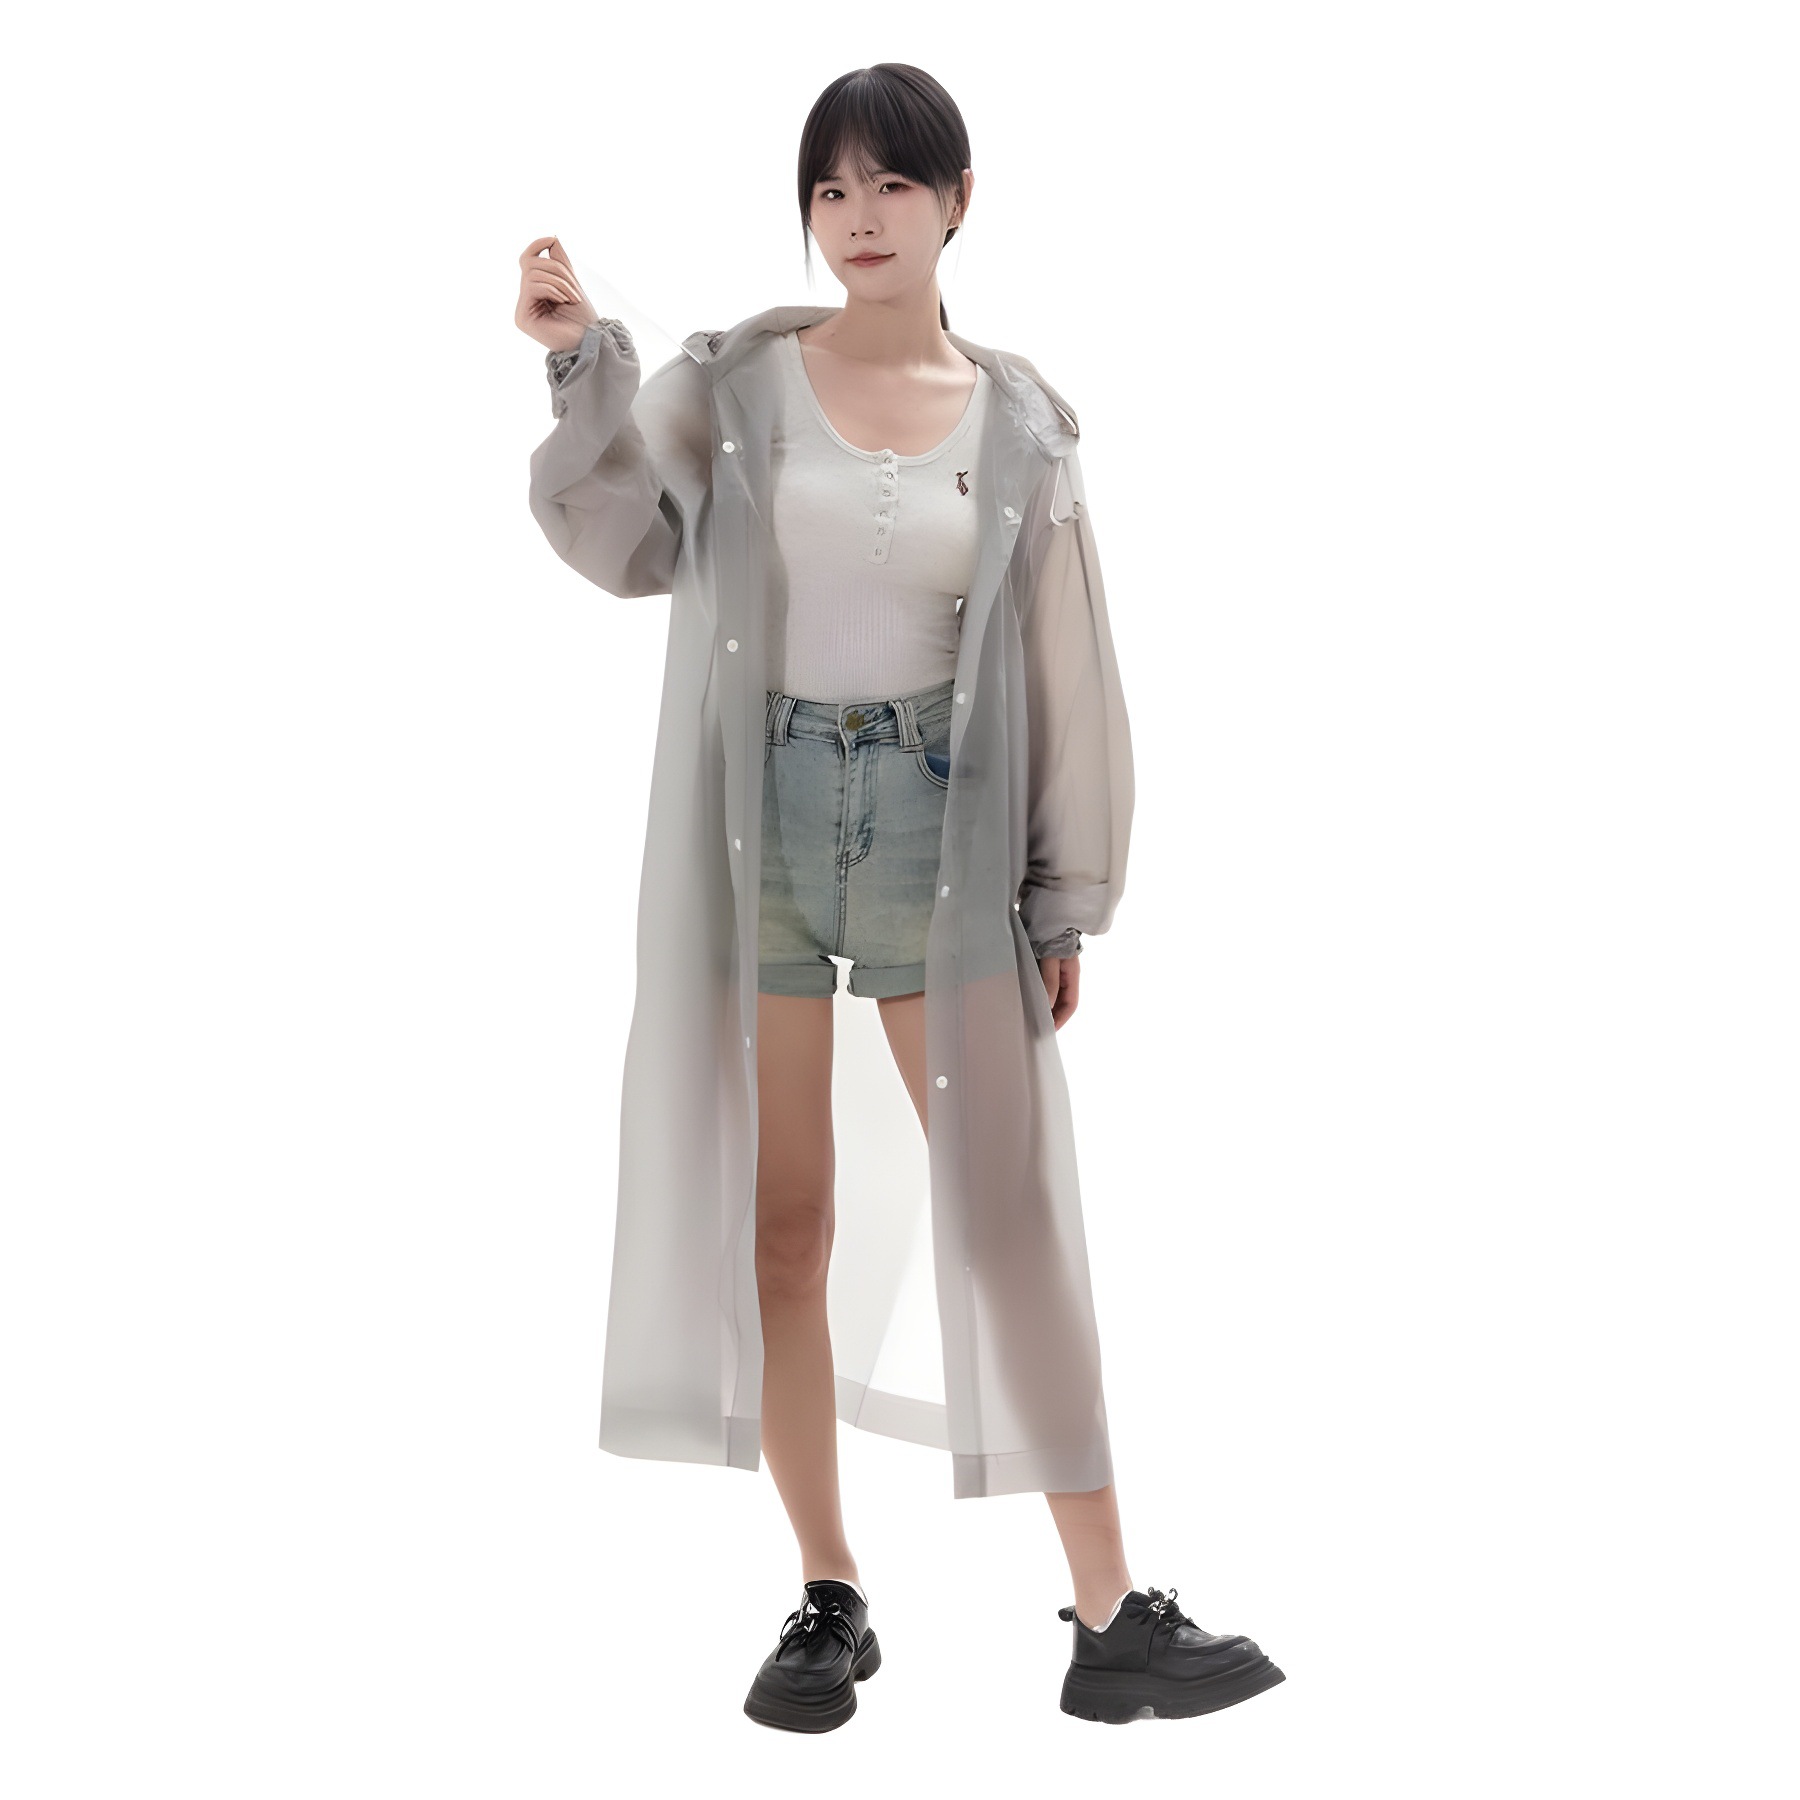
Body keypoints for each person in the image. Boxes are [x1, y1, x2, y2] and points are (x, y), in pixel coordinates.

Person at [515, 62, 1283, 1731]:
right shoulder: (739, 381)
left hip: (944, 829)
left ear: (958, 202)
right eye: (832, 189)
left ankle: (1111, 1611)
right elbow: (624, 542)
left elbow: (1067, 665)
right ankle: (828, 1593)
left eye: (892, 186)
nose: (859, 219)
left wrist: (1062, 897)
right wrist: (581, 363)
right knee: (786, 1225)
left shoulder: (1020, 421)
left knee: (1009, 1218)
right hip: (767, 829)